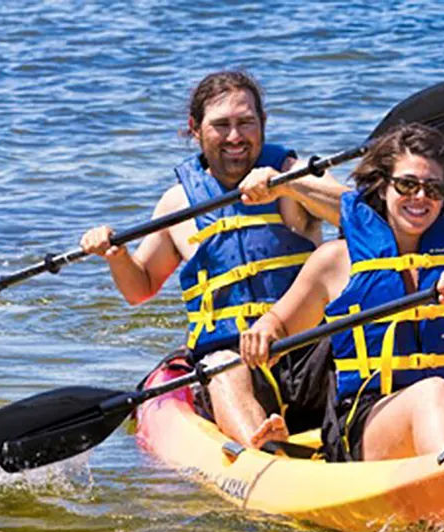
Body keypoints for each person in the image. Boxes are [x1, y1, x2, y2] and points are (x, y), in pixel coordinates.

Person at [239, 123, 444, 462]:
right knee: (431, 393)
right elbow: (280, 326)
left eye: (433, 189)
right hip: (369, 420)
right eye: (407, 184)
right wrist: (263, 332)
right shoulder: (335, 260)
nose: (420, 197)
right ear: (382, 187)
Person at [80, 71, 346, 449]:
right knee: (223, 367)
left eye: (246, 123)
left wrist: (287, 184)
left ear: (262, 124)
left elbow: (359, 215)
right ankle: (265, 450)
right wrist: (116, 255)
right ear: (195, 129)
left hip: (308, 350)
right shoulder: (178, 203)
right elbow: (140, 288)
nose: (235, 137)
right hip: (235, 359)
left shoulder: (294, 176)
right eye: (222, 125)